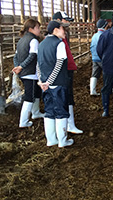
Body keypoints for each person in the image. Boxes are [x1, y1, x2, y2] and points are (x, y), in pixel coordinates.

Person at [37, 20, 74, 148]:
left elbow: (38, 65)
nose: (65, 31)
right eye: (62, 29)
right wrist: (49, 81)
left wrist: (41, 81)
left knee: (49, 112)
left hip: (45, 85)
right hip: (58, 83)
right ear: (55, 30)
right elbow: (59, 64)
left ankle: (51, 140)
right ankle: (63, 141)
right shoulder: (59, 44)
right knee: (61, 112)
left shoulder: (41, 44)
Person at [52, 11, 83, 134]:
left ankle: (65, 125)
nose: (68, 23)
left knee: (64, 97)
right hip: (63, 72)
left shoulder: (61, 37)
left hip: (65, 70)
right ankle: (68, 125)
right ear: (59, 21)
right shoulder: (57, 40)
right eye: (66, 21)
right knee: (66, 98)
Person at [12, 18, 45, 128]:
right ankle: (23, 121)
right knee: (29, 97)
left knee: (36, 93)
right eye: (38, 28)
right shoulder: (33, 40)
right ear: (31, 29)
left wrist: (17, 66)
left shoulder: (21, 40)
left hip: (24, 72)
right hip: (31, 72)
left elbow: (15, 56)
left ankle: (35, 113)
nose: (39, 30)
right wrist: (21, 66)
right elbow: (32, 56)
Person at [90, 19, 108, 96]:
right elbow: (105, 48)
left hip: (94, 58)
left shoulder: (94, 35)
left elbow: (91, 46)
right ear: (104, 26)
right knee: (107, 73)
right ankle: (108, 89)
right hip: (102, 58)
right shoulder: (104, 35)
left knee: (95, 74)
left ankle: (92, 90)